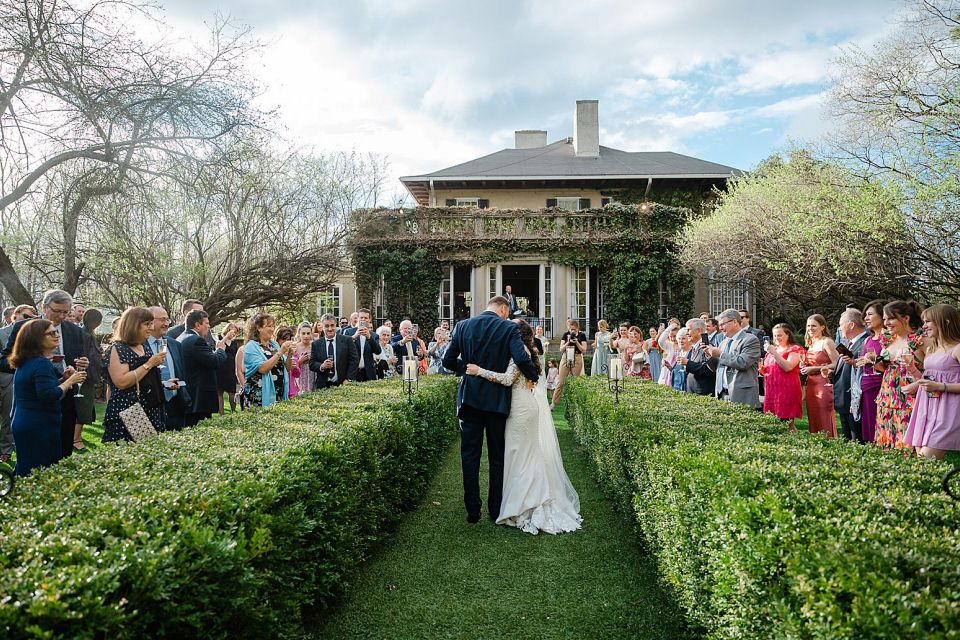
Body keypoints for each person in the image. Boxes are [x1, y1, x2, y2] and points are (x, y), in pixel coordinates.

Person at [466, 319, 581, 534]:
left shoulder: (521, 354)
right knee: (525, 453)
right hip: (524, 406)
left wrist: (478, 370)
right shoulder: (525, 351)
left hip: (520, 410)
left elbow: (509, 379)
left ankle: (524, 502)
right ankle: (518, 498)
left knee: (519, 454)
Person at [441, 296, 539, 524]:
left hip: (470, 399)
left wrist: (466, 369)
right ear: (504, 309)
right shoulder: (507, 328)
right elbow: (520, 358)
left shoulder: (463, 325)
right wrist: (533, 376)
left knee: (469, 455)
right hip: (497, 401)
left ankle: (473, 511)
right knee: (497, 457)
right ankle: (496, 510)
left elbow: (447, 360)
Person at [0, 290, 88, 460]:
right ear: (44, 307)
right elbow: (4, 361)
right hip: (34, 401)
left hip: (65, 396)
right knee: (36, 458)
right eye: (57, 311)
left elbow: (75, 357)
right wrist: (32, 363)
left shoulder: (74, 330)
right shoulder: (24, 327)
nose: (62, 316)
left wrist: (79, 365)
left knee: (62, 454)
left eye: (66, 312)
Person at [8, 319, 86, 475]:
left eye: (56, 332)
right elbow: (48, 395)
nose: (56, 335)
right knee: (38, 474)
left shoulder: (29, 361)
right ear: (36, 338)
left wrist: (63, 379)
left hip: (28, 423)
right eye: (51, 333)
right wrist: (70, 381)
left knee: (28, 471)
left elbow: (40, 389)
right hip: (37, 426)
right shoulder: (41, 363)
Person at [903, 304, 960, 459]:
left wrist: (941, 386)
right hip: (927, 407)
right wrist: (913, 370)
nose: (924, 326)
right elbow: (929, 379)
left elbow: (938, 383)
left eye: (928, 321)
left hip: (948, 411)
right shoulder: (932, 349)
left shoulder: (957, 349)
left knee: (924, 461)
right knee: (921, 459)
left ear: (946, 322)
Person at [102, 307, 167, 442]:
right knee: (132, 455)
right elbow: (122, 382)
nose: (151, 327)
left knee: (150, 452)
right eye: (147, 324)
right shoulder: (117, 349)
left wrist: (162, 383)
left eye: (151, 323)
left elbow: (145, 377)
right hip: (130, 410)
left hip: (150, 407)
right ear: (133, 325)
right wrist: (149, 364)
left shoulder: (143, 346)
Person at [874, 300, 925, 450]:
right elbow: (885, 368)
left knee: (906, 441)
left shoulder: (918, 340)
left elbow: (931, 369)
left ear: (906, 318)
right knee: (886, 440)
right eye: (884, 319)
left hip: (908, 396)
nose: (886, 323)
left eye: (890, 318)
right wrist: (874, 363)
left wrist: (918, 384)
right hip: (887, 395)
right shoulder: (888, 339)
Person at [178, 309, 228, 426]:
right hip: (199, 397)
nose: (209, 326)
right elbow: (214, 361)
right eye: (207, 323)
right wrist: (220, 349)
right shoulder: (196, 340)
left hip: (188, 394)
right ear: (198, 325)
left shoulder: (180, 338)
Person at [0, 304, 37, 463]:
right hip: (6, 379)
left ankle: (13, 449)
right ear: (16, 315)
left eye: (32, 317)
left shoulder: (34, 333)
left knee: (17, 417)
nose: (29, 320)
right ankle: (5, 449)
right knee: (6, 417)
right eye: (26, 317)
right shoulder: (2, 333)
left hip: (26, 381)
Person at [827, 309, 869, 442]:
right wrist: (831, 373)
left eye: (841, 324)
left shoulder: (865, 342)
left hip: (854, 400)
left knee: (856, 438)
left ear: (851, 325)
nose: (839, 328)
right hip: (843, 399)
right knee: (847, 438)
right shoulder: (847, 343)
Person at [146, 306, 191, 431]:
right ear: (149, 321)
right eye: (162, 320)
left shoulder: (174, 344)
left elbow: (182, 373)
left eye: (167, 320)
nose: (166, 324)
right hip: (150, 405)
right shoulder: (138, 345)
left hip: (176, 404)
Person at [708, 308, 762, 408]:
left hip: (742, 394)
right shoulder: (724, 342)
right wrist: (709, 355)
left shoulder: (750, 339)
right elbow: (717, 367)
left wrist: (720, 354)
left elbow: (743, 362)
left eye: (723, 324)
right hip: (722, 394)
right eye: (719, 325)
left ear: (734, 322)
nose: (721, 328)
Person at [242, 314, 295, 407]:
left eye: (273, 326)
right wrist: (281, 352)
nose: (272, 329)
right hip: (259, 397)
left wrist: (290, 354)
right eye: (269, 326)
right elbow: (262, 369)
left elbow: (287, 368)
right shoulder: (251, 346)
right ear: (259, 328)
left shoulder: (274, 345)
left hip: (278, 394)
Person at [800, 314, 839, 437]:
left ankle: (829, 443)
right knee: (813, 416)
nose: (810, 328)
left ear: (822, 327)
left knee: (823, 416)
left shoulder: (827, 342)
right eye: (808, 326)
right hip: (811, 384)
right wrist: (804, 365)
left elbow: (837, 364)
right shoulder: (811, 343)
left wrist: (814, 368)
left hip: (823, 383)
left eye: (814, 326)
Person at [761, 323, 805, 430]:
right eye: (775, 336)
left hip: (787, 390)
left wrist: (774, 353)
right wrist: (762, 369)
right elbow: (770, 370)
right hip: (772, 392)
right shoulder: (771, 351)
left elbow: (788, 367)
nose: (776, 338)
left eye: (780, 335)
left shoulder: (794, 349)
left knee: (787, 423)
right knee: (774, 423)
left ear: (788, 335)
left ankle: (795, 444)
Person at [855, 300, 887, 444]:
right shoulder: (868, 339)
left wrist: (871, 362)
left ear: (882, 316)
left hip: (880, 386)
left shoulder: (887, 339)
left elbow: (889, 366)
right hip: (865, 386)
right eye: (865, 315)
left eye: (870, 314)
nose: (866, 318)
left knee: (878, 426)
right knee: (867, 428)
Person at [72, 308, 104, 451]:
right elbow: (86, 356)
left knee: (85, 406)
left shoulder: (88, 333)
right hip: (86, 377)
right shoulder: (85, 334)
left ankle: (76, 437)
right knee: (83, 407)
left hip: (89, 377)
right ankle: (76, 439)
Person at [310, 314, 358, 389]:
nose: (330, 329)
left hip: (343, 385)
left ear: (336, 325)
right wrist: (322, 366)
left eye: (332, 325)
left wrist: (348, 379)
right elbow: (312, 363)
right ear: (322, 327)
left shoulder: (347, 340)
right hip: (322, 386)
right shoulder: (316, 344)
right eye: (326, 326)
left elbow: (354, 361)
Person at [550, 320, 587, 408]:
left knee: (575, 382)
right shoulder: (565, 334)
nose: (572, 331)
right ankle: (553, 403)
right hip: (566, 356)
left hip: (577, 356)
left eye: (574, 329)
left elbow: (583, 349)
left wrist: (576, 342)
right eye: (571, 329)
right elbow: (561, 349)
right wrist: (568, 341)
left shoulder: (582, 335)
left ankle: (575, 403)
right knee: (561, 381)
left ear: (577, 328)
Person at [679, 318, 716, 395]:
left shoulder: (707, 347)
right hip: (693, 392)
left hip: (703, 394)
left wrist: (688, 363)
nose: (687, 333)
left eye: (689, 330)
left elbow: (708, 370)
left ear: (699, 331)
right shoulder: (695, 347)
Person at [346, 308, 382, 382]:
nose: (363, 319)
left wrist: (369, 337)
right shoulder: (348, 332)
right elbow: (343, 349)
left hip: (368, 373)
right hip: (352, 372)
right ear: (358, 319)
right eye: (361, 317)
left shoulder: (374, 335)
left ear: (369, 320)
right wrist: (354, 337)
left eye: (366, 318)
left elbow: (378, 351)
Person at [289, 322, 316, 396]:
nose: (306, 336)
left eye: (308, 333)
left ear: (311, 334)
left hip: (312, 375)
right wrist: (300, 361)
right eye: (303, 333)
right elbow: (291, 366)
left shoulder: (315, 345)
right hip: (300, 376)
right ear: (299, 334)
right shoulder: (295, 347)